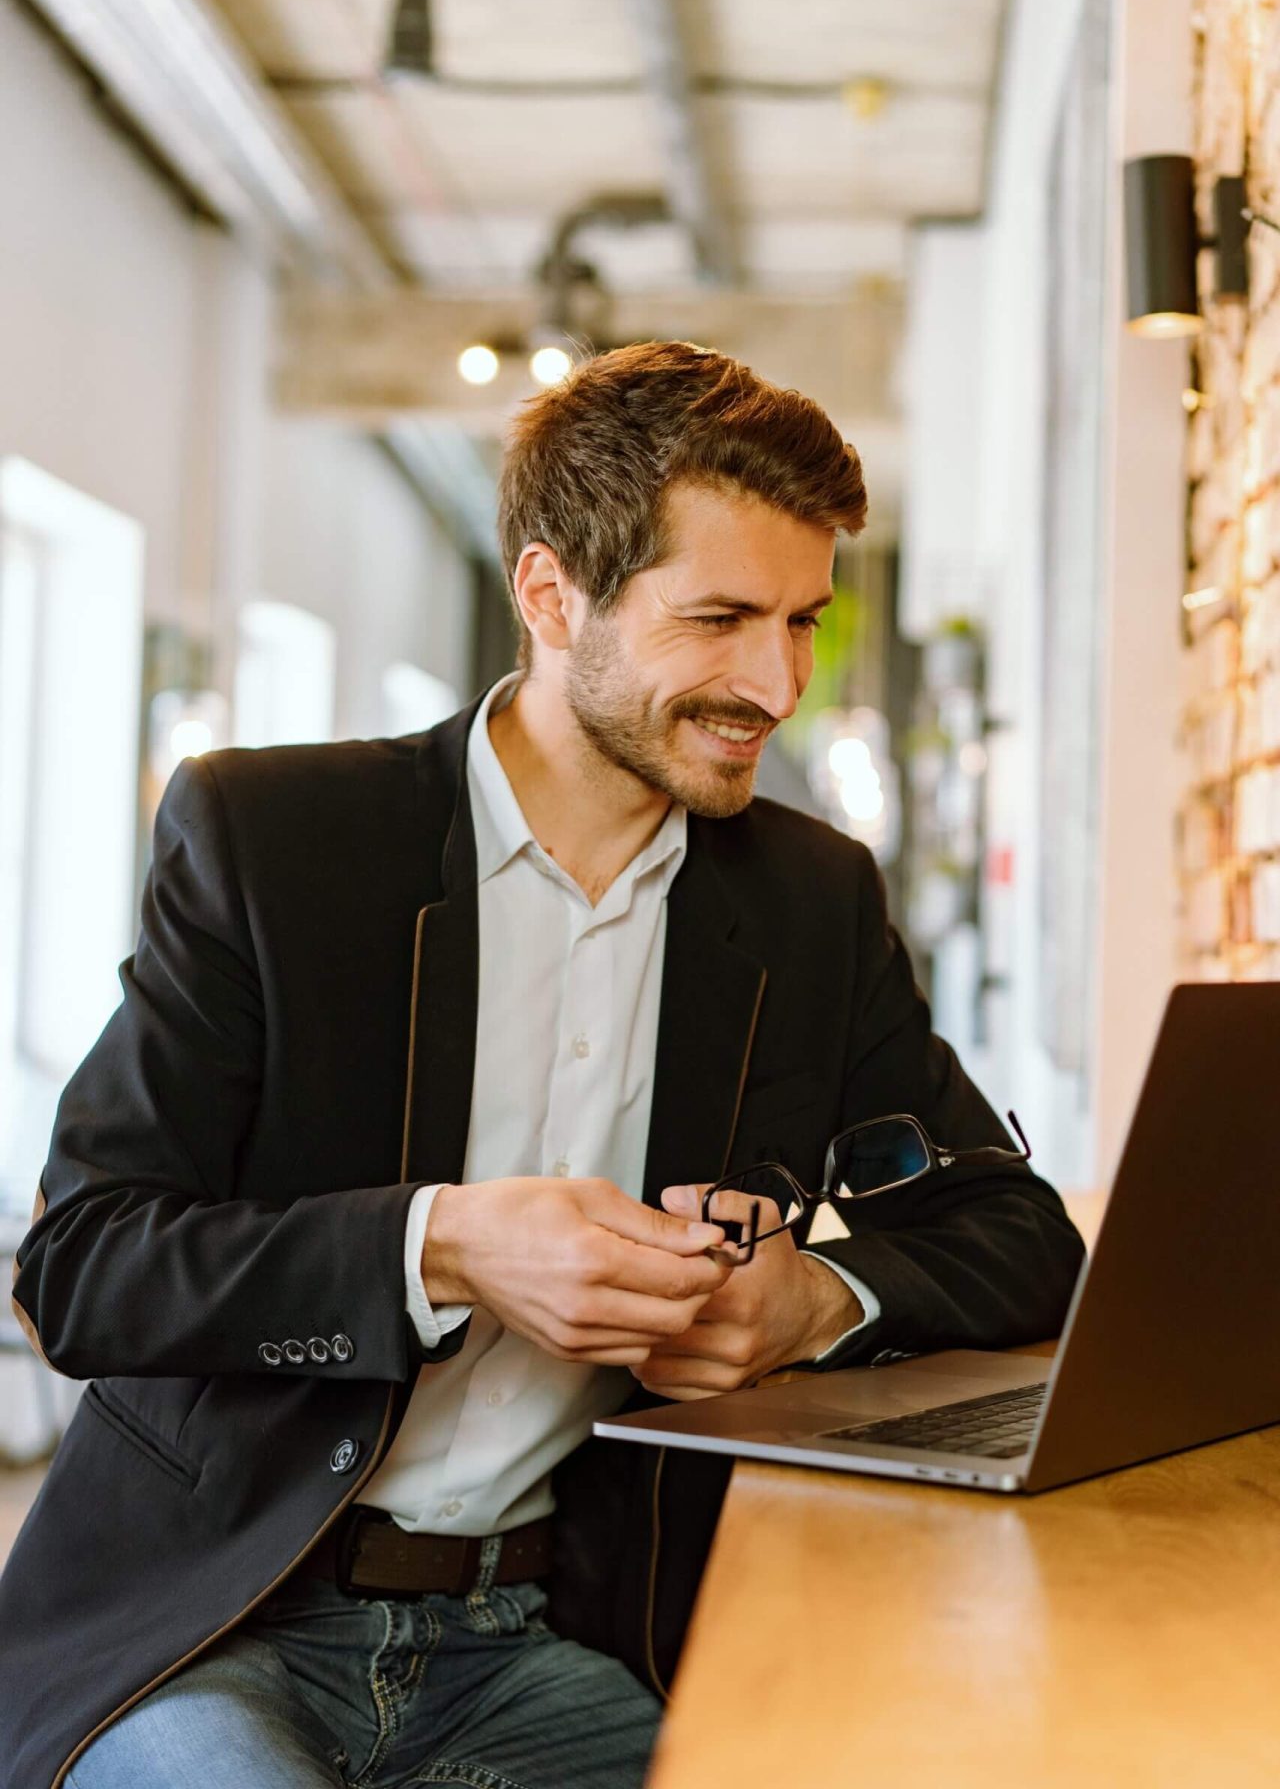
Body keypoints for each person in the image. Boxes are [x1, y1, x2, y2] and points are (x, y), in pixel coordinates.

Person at [1, 342, 1084, 1789]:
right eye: (720, 618)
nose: (777, 682)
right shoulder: (275, 845)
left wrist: (815, 1296)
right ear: (550, 593)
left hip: (550, 1642)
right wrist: (439, 1246)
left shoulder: (811, 905)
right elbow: (83, 1262)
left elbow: (1017, 1233)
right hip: (216, 1624)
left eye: (804, 622)